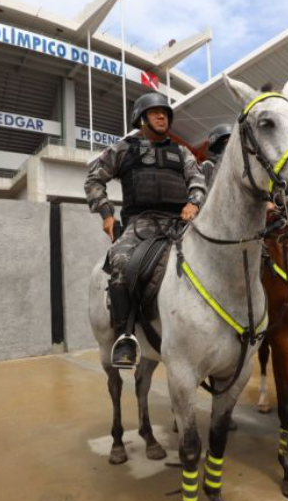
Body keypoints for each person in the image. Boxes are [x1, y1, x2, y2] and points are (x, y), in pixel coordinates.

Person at [84, 92, 207, 368]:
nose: (162, 116)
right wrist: (106, 214)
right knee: (121, 265)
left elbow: (198, 180)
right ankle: (125, 338)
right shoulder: (123, 149)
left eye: (165, 112)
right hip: (140, 225)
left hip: (179, 223)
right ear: (142, 119)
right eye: (155, 112)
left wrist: (194, 201)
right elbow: (93, 179)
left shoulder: (182, 152)